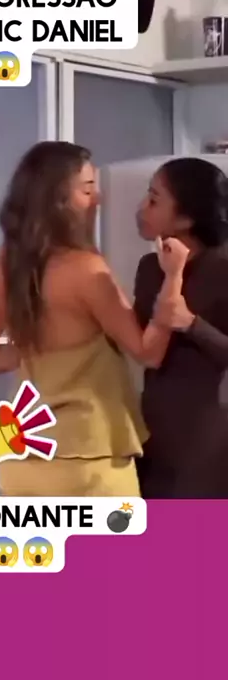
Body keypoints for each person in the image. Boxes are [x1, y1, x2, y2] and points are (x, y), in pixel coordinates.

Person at [0, 141, 189, 497]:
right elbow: (148, 352)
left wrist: (38, 349)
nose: (99, 198)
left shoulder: (7, 262)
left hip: (21, 460)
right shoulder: (87, 270)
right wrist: (174, 276)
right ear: (58, 201)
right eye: (87, 189)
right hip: (88, 458)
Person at [134, 157, 228, 498]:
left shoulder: (223, 268)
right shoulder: (149, 267)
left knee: (193, 531)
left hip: (204, 442)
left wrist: (191, 324)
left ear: (186, 219)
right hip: (149, 435)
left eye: (153, 200)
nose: (141, 208)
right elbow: (140, 345)